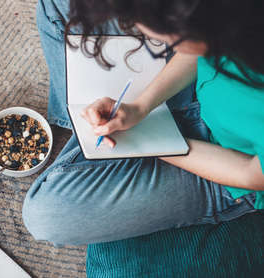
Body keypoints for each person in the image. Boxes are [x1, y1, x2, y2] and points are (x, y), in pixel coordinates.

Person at [22, 0, 264, 246]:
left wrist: (151, 141)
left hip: (226, 167)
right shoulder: (224, 19)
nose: (164, 45)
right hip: (200, 76)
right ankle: (91, 145)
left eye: (168, 41)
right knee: (60, 4)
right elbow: (194, 49)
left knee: (45, 215)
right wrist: (140, 106)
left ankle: (92, 146)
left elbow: (249, 173)